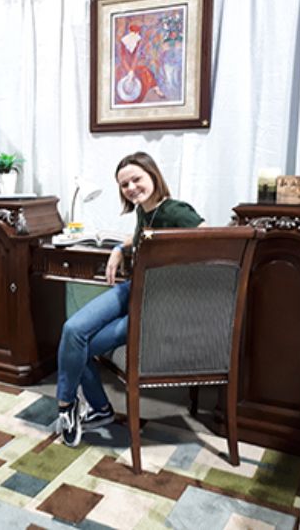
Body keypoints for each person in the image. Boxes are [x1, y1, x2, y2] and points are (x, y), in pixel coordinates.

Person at [56, 152, 204, 447]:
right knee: (72, 331)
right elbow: (139, 238)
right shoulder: (143, 210)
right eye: (124, 184)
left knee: (80, 349)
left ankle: (86, 408)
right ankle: (76, 406)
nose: (132, 188)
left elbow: (210, 247)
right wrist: (118, 249)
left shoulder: (176, 211)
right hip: (131, 289)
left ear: (153, 175)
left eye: (136, 179)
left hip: (154, 305)